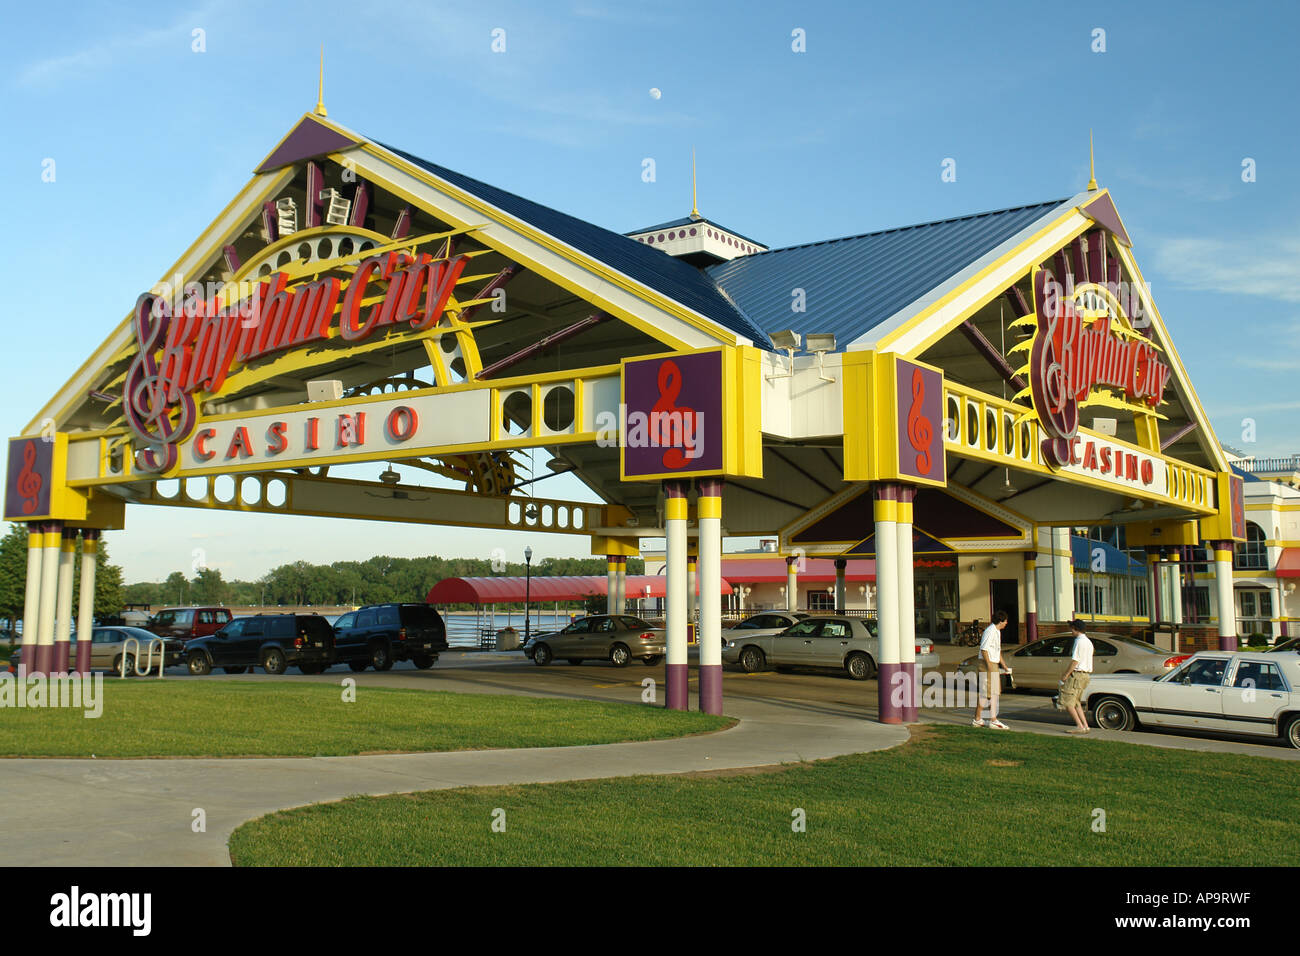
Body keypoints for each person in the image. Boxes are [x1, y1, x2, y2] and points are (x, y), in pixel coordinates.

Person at [972, 610, 1011, 729]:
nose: (1006, 623)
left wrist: (1004, 666)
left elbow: (997, 651)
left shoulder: (997, 631)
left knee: (993, 692)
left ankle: (981, 719)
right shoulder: (990, 631)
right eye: (1005, 621)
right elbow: (984, 649)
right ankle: (988, 719)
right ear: (1000, 621)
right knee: (989, 693)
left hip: (993, 664)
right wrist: (989, 665)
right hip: (987, 664)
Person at [1060, 619, 1094, 735]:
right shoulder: (1088, 642)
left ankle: (1079, 726)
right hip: (1085, 675)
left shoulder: (1079, 641)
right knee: (1076, 702)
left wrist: (1066, 674)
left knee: (1068, 701)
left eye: (1071, 628)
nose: (1070, 630)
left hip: (1077, 675)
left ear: (1075, 628)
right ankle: (1085, 725)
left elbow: (1075, 660)